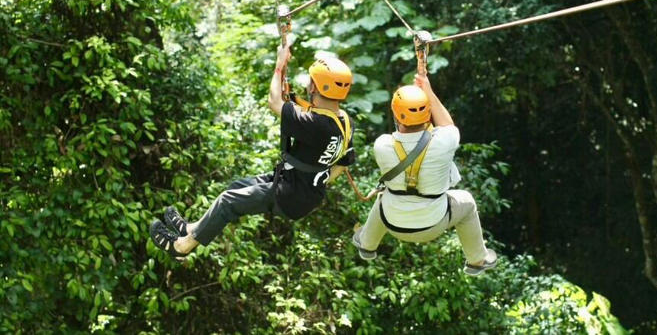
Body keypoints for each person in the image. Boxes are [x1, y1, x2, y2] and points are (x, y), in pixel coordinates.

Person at [150, 44, 356, 258]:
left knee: (229, 201)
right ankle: (193, 229)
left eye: (310, 80)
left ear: (315, 87)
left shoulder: (314, 123)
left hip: (291, 194)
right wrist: (315, 178)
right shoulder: (344, 122)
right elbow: (341, 165)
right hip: (302, 189)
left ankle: (182, 246)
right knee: (237, 187)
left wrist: (279, 64)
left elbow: (274, 102)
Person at [352, 74, 497, 275]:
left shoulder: (382, 145)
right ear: (428, 114)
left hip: (393, 223)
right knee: (467, 201)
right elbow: (447, 125)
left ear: (395, 115)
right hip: (434, 224)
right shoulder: (444, 141)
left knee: (384, 196)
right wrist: (428, 91)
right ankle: (477, 260)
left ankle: (367, 245)